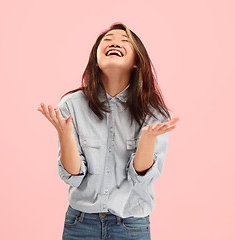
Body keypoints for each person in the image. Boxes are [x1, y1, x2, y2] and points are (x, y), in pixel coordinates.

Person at [37, 22, 180, 240]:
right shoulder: (71, 105)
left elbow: (141, 179)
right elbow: (74, 177)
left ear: (136, 62)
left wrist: (147, 141)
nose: (115, 42)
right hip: (80, 224)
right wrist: (64, 134)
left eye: (125, 41)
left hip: (132, 225)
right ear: (95, 59)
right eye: (107, 40)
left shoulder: (153, 112)